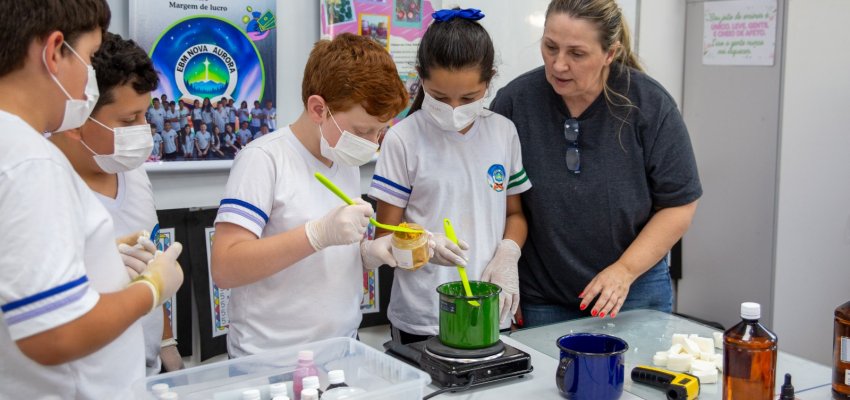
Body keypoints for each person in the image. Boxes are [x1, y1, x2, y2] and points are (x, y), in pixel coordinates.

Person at [0, 1, 183, 397]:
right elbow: (54, 334)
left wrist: (91, 256)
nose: (89, 79)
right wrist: (151, 288)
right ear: (53, 52)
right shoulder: (31, 161)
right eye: (87, 58)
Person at [489, 0, 702, 326]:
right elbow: (496, 199)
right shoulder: (515, 102)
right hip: (544, 296)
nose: (558, 65)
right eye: (550, 47)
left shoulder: (649, 105)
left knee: (634, 377)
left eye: (576, 54)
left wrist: (624, 270)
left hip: (633, 291)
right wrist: (506, 272)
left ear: (610, 53)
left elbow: (679, 205)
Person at [210, 33, 408, 357]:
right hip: (270, 361)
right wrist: (316, 234)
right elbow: (225, 266)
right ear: (318, 109)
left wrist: (369, 252)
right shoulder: (264, 159)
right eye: (362, 131)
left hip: (341, 350)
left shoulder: (343, 159)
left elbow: (329, 257)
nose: (374, 143)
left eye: (380, 131)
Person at [369, 8, 531, 344]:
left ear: (489, 81)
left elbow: (515, 214)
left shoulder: (503, 133)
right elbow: (385, 233)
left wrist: (508, 254)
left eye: (469, 98)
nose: (455, 109)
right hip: (422, 317)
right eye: (441, 97)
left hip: (489, 309)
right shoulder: (403, 139)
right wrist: (422, 244)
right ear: (421, 79)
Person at [49, 32, 184, 375]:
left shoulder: (132, 169)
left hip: (146, 370)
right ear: (78, 120)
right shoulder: (44, 183)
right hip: (83, 379)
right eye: (128, 121)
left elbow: (150, 261)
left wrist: (167, 342)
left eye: (145, 115)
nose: (144, 131)